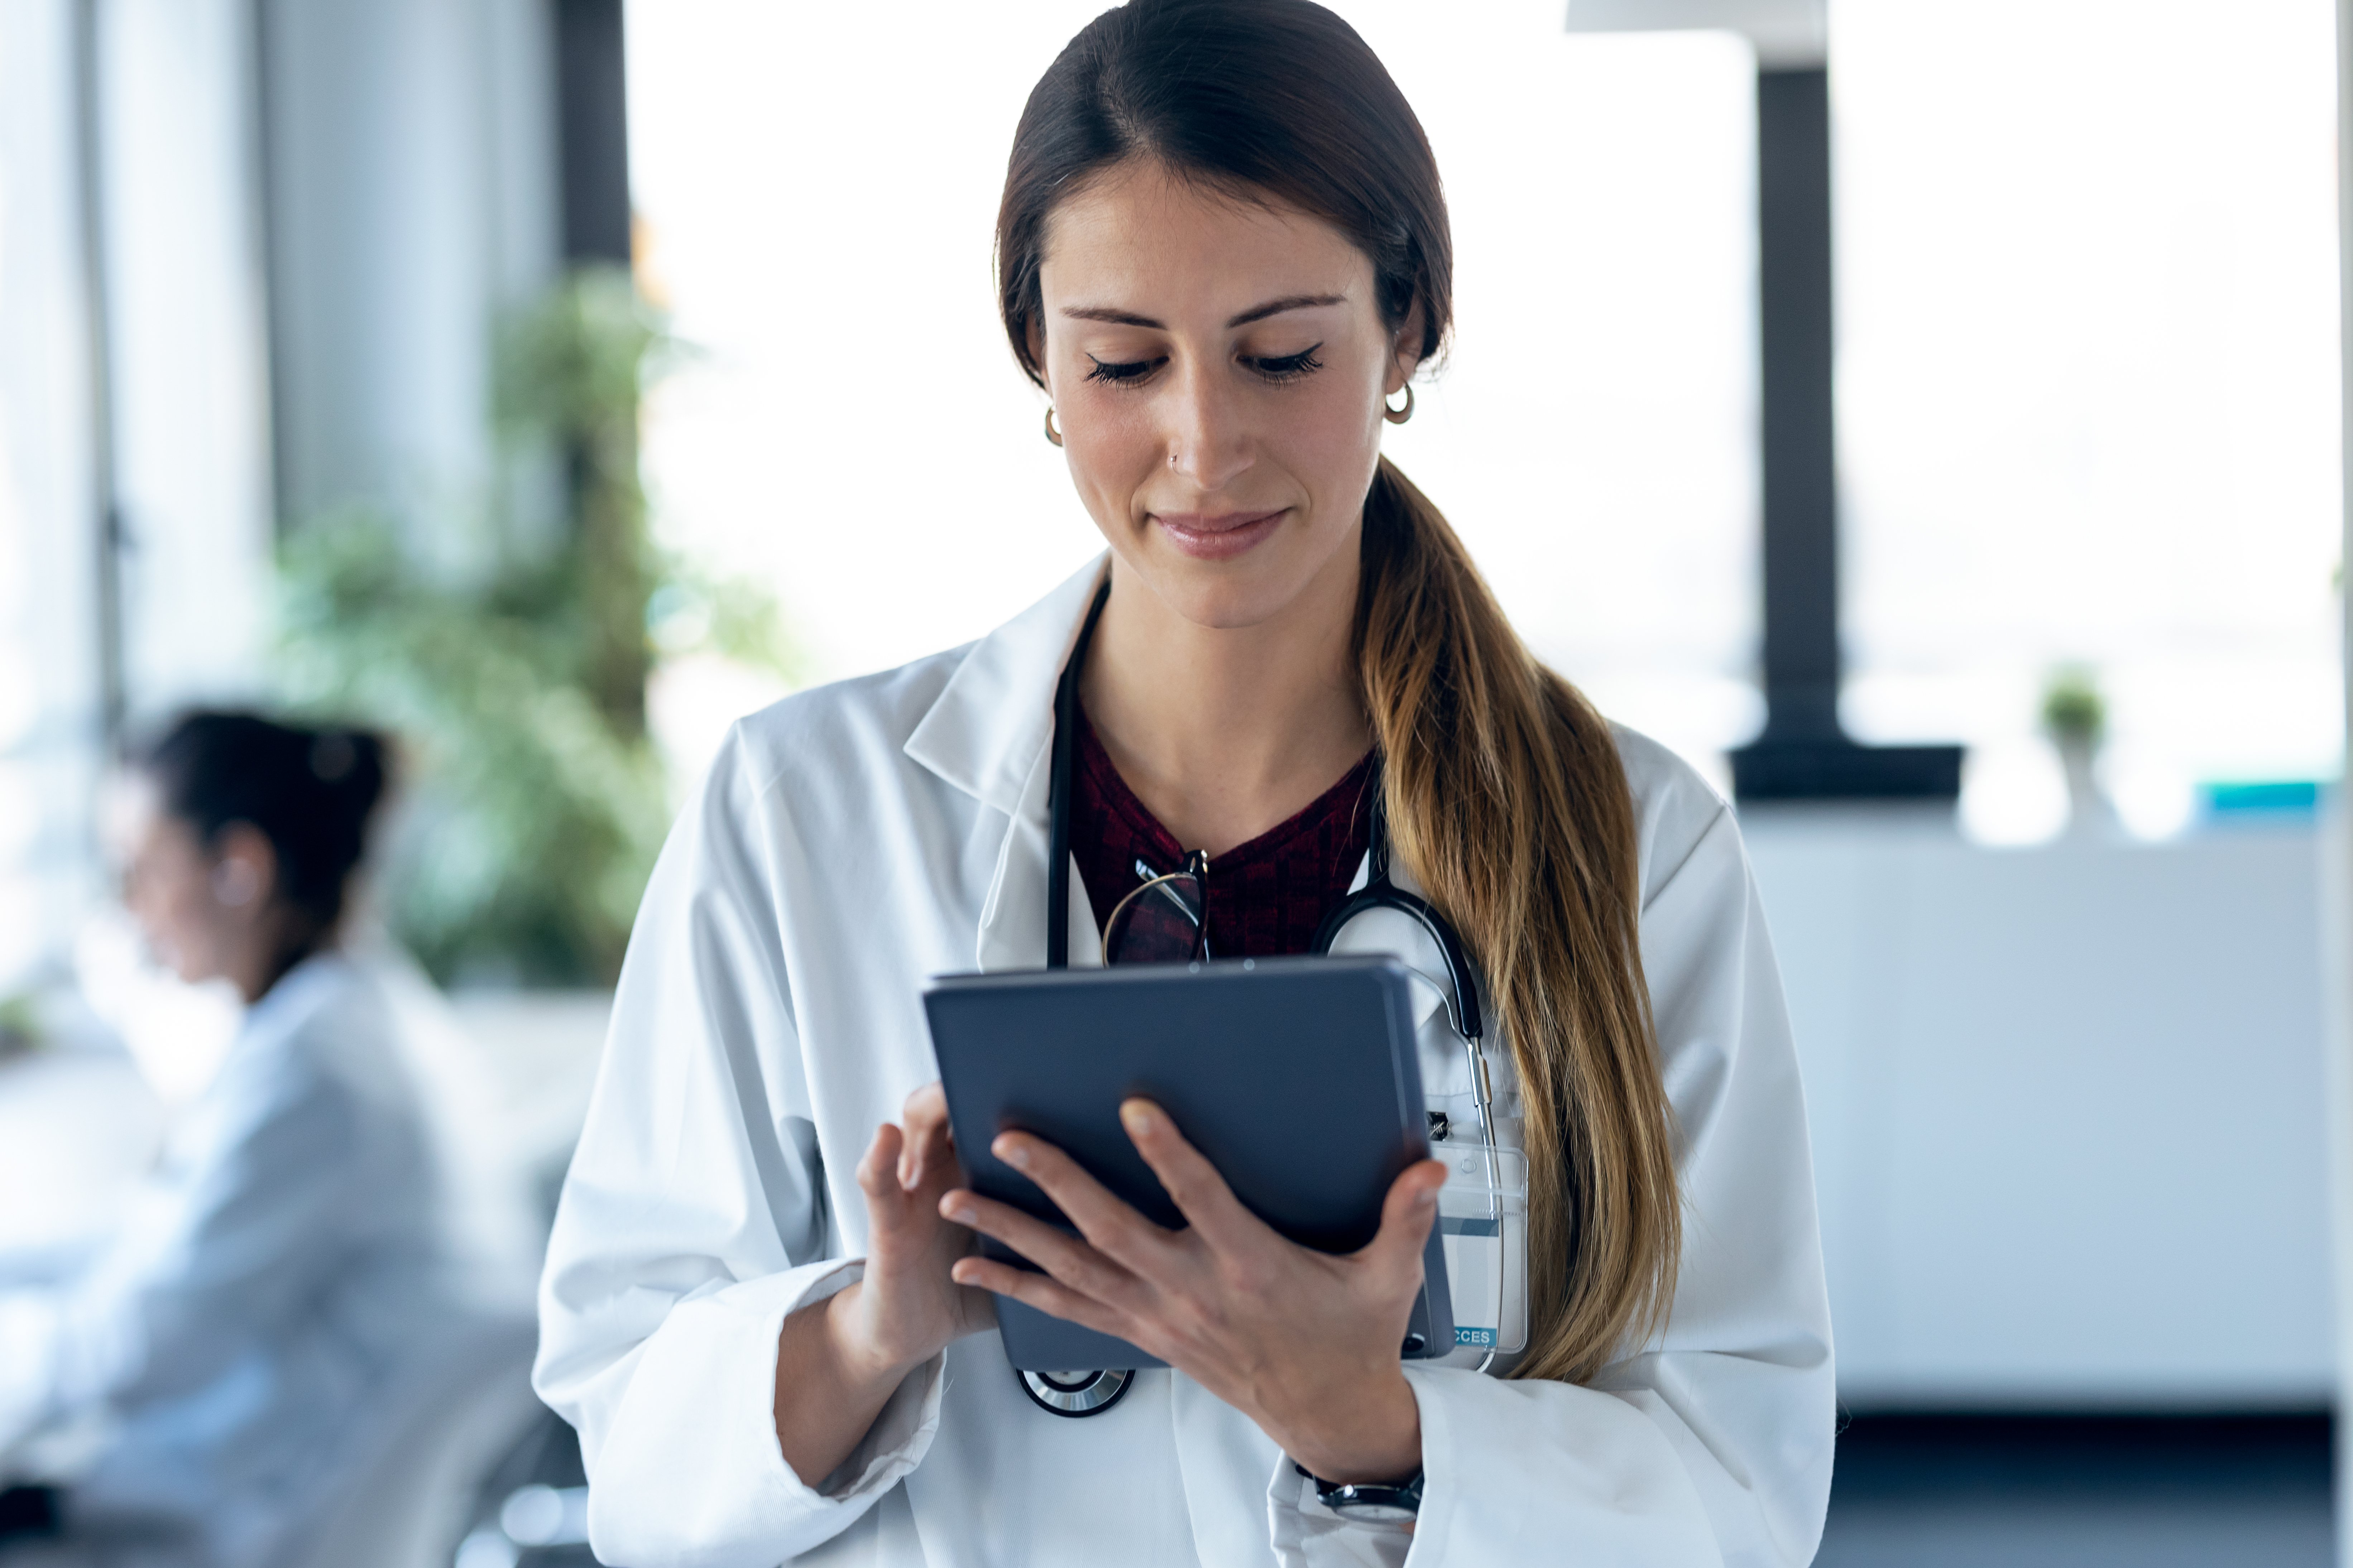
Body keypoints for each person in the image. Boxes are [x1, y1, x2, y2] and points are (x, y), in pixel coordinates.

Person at [534, 2, 1835, 1562]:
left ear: (1407, 327)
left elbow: (1737, 1481)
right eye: (1123, 360)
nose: (1203, 445)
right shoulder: (797, 811)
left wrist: (1369, 1422)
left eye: (1281, 355)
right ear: (1037, 351)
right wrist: (872, 1325)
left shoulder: (1632, 842)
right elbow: (632, 1437)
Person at [0, 712, 461, 1567]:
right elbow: (155, 1251)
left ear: (239, 870)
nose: (129, 909)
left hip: (264, 1514)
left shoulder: (319, 1070)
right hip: (264, 1468)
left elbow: (145, 1341)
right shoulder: (339, 1011)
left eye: (141, 870)